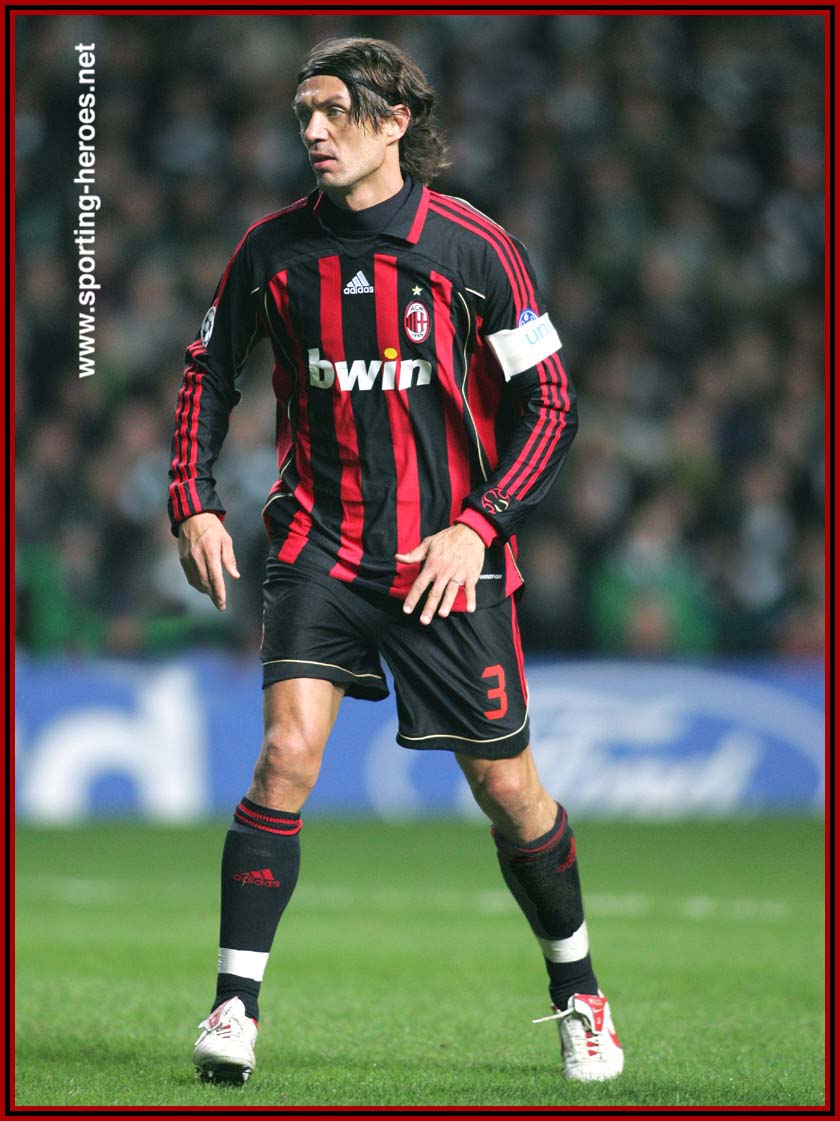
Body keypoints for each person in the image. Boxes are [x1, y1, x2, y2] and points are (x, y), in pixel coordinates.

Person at [168, 36, 623, 1085]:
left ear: (396, 121)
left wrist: (481, 524)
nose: (314, 130)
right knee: (285, 756)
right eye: (303, 114)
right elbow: (206, 371)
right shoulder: (272, 251)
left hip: (446, 561)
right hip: (317, 545)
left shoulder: (475, 250)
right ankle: (234, 1006)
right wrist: (193, 498)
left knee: (509, 790)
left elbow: (551, 402)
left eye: (334, 110)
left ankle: (580, 991)